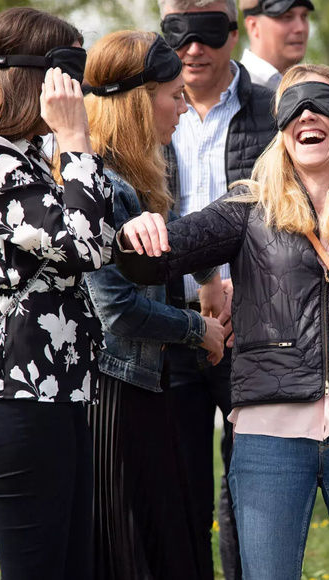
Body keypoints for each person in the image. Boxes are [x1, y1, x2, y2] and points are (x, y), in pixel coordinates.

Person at [115, 62, 329, 580]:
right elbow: (157, 257)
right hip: (270, 438)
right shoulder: (248, 208)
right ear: (281, 127)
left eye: (322, 103)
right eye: (294, 106)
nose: (308, 114)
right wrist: (139, 230)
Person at [0, 7, 113, 578]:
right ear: (37, 76)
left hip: (54, 386)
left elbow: (96, 235)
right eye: (70, 71)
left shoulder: (23, 153)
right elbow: (88, 245)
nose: (79, 88)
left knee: (73, 564)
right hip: (16, 391)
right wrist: (77, 138)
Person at [81, 30, 226, 579]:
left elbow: (175, 229)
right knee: (133, 546)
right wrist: (197, 329)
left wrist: (208, 274)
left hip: (142, 380)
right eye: (175, 95)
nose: (184, 108)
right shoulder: (102, 184)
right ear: (140, 104)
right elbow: (116, 310)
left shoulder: (136, 171)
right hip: (114, 391)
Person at [158, 1, 277, 577]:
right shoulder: (146, 110)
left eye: (206, 32)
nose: (192, 49)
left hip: (252, 324)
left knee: (253, 482)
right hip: (166, 324)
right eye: (177, 34)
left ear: (234, 32)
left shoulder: (273, 109)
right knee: (178, 487)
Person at [239, 0, 313, 89]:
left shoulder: (314, 84)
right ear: (253, 26)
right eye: (287, 17)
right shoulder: (233, 89)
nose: (300, 28)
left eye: (304, 16)